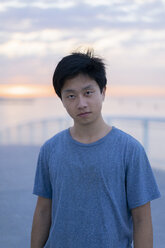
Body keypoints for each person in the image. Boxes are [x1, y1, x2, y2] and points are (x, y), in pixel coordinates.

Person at [31, 49, 160, 248]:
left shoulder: (130, 150)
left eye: (88, 92)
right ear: (62, 100)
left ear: (103, 92)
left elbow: (142, 219)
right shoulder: (50, 150)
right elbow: (42, 210)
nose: (81, 103)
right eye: (71, 96)